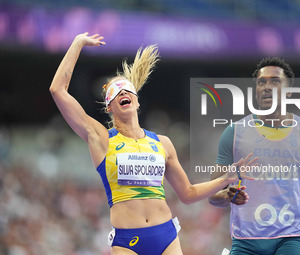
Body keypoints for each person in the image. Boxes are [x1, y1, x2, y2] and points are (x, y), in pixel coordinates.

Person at [49, 32, 258, 255]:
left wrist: (227, 178)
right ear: (109, 107)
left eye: (128, 89)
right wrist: (78, 43)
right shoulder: (101, 138)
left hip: (166, 237)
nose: (123, 92)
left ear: (137, 101)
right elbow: (57, 90)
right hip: (127, 241)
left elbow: (187, 194)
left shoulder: (163, 144)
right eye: (116, 92)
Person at [209, 57, 300, 255]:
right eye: (262, 82)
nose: (267, 87)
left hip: (292, 238)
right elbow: (212, 194)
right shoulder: (234, 133)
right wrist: (227, 195)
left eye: (275, 81)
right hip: (246, 242)